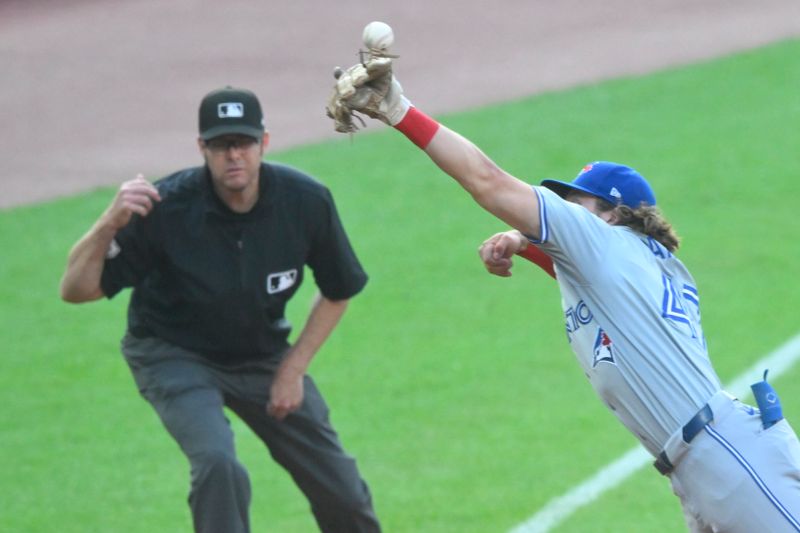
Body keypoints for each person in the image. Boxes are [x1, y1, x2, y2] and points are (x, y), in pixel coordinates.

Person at [327, 55, 800, 532]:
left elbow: (487, 181)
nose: (566, 210)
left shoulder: (601, 243)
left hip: (725, 459)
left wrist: (400, 111)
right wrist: (522, 243)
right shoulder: (641, 262)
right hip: (712, 456)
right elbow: (594, 290)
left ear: (612, 213)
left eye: (577, 203)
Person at [60, 86, 381, 533]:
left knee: (342, 489)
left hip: (260, 354)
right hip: (173, 355)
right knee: (218, 463)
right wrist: (106, 225)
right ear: (202, 149)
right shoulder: (166, 208)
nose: (234, 155)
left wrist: (293, 369)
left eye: (244, 143)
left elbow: (339, 290)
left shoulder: (305, 202)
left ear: (263, 143)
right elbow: (76, 290)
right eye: (221, 144)